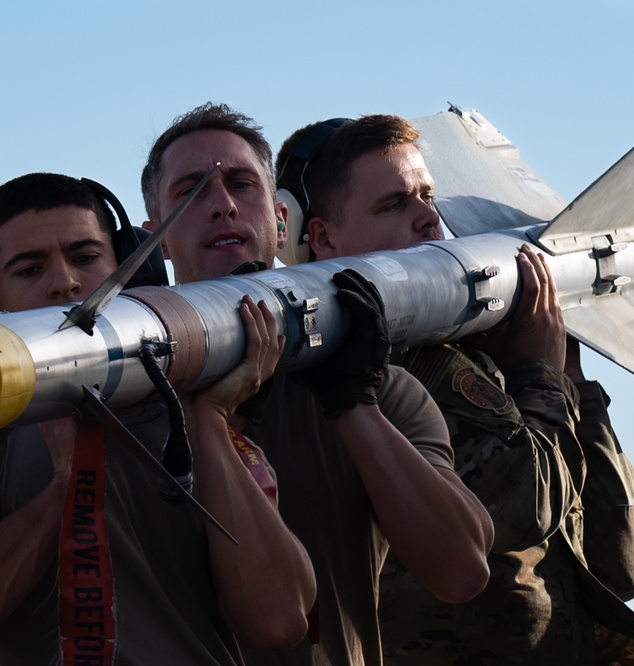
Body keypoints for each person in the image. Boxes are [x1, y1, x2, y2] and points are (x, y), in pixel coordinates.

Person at [0, 173, 316, 665]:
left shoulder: (205, 409)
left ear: (129, 269)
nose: (65, 281)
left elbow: (278, 619)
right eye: (28, 269)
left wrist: (211, 422)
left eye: (86, 258)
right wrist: (63, 490)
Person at [275, 114, 634, 665]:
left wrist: (571, 383)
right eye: (393, 205)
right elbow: (523, 510)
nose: (429, 219)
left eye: (426, 196)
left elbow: (620, 562)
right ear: (324, 238)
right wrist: (539, 378)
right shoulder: (377, 381)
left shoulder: (476, 353)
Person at [140, 103, 494, 666]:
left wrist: (350, 402)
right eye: (192, 190)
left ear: (282, 220)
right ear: (154, 238)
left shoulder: (380, 389)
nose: (223, 205)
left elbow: (461, 569)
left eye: (240, 184)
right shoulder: (129, 396)